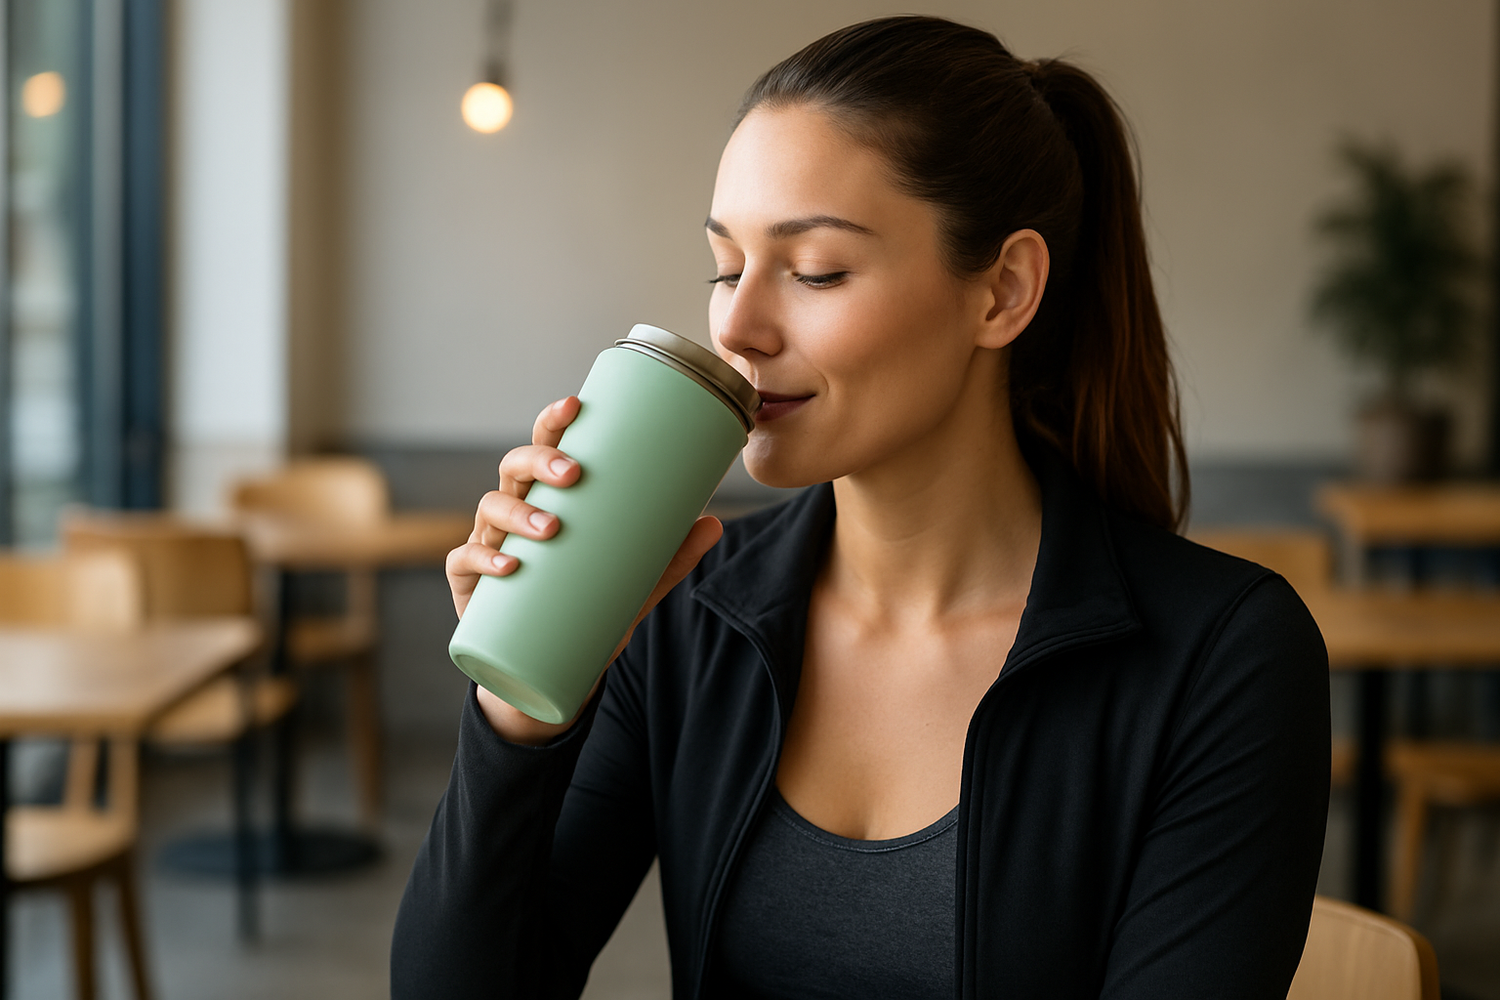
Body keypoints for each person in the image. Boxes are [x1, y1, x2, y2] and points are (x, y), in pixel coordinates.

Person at [392, 15, 1329, 1000]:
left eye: (816, 271)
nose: (738, 326)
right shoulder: (683, 611)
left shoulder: (1224, 659)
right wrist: (522, 706)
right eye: (726, 265)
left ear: (1003, 290)